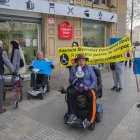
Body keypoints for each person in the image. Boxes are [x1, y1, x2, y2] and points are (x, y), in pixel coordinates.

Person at [66, 54, 97, 128]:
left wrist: (89, 87)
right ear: (77, 62)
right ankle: (72, 114)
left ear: (85, 61)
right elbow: (71, 81)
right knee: (69, 92)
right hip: (77, 87)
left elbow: (94, 80)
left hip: (87, 88)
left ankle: (90, 119)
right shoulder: (73, 69)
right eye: (79, 60)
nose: (81, 62)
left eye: (83, 60)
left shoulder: (89, 69)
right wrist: (76, 76)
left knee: (91, 96)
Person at [0, 40, 16, 114]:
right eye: (2, 45)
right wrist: (13, 71)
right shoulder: (2, 51)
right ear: (1, 45)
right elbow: (7, 62)